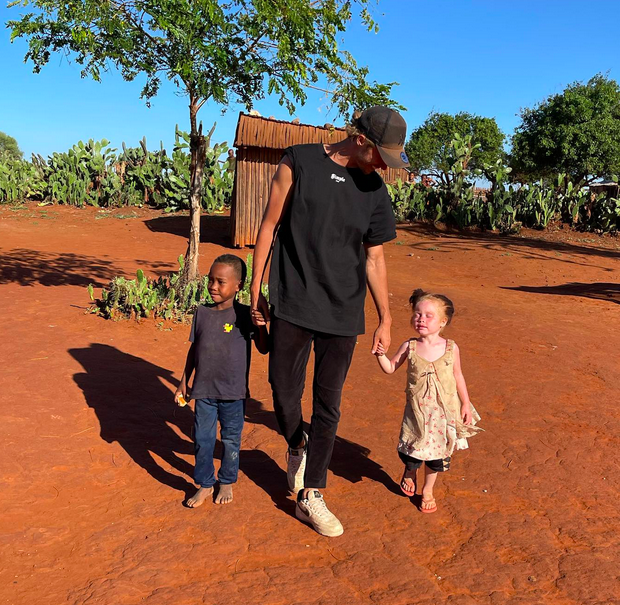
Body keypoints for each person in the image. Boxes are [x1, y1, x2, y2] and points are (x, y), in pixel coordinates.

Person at [250, 106, 410, 537]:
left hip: (343, 311)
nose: (383, 166)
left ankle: (312, 492)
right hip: (292, 300)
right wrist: (255, 290)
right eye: (381, 154)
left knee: (328, 403)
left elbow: (374, 257)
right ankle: (296, 443)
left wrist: (385, 318)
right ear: (361, 140)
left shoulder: (375, 192)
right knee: (283, 392)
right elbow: (268, 226)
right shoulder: (298, 162)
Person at [375, 289, 482, 513]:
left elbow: (458, 376)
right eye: (417, 314)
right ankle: (410, 470)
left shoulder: (451, 348)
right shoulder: (409, 346)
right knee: (412, 449)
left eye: (428, 315)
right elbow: (390, 368)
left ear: (443, 322)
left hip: (444, 414)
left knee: (437, 457)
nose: (420, 318)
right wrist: (380, 354)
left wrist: (465, 403)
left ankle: (428, 490)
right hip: (417, 412)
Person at [175, 255, 268, 507]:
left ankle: (226, 480)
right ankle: (205, 483)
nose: (213, 286)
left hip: (233, 393)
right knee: (202, 439)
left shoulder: (244, 315)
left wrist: (261, 325)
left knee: (230, 439)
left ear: (238, 285)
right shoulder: (202, 313)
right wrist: (184, 381)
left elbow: (264, 347)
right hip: (203, 391)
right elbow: (194, 350)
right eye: (210, 280)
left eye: (221, 282)